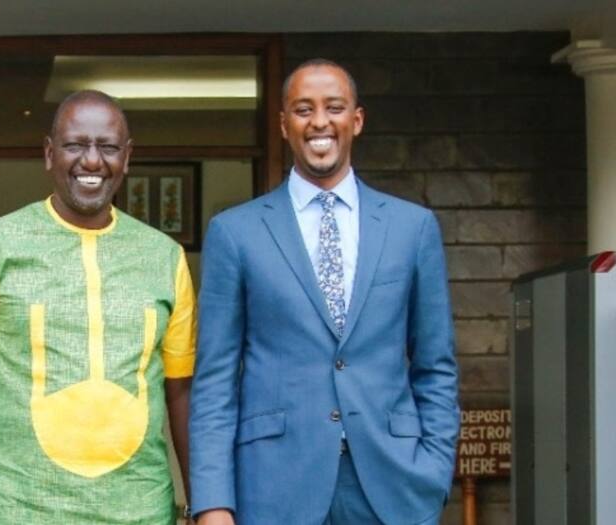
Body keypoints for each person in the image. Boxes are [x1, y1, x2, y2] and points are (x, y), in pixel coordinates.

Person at [189, 59, 460, 525]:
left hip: (393, 487)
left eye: (334, 107)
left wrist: (434, 472)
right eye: (303, 109)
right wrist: (213, 502)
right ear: (283, 124)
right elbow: (214, 381)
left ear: (356, 120)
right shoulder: (235, 233)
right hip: (273, 488)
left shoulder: (411, 228)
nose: (319, 122)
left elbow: (436, 367)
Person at [0, 90, 196, 524]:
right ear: (50, 154)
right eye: (75, 145)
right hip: (15, 511)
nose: (91, 161)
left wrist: (202, 505)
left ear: (127, 157)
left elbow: (181, 391)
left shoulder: (164, 257)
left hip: (141, 511)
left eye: (107, 147)